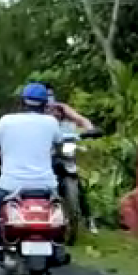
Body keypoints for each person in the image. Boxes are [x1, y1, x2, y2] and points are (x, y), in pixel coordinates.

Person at [0, 82, 63, 275]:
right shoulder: (51, 123)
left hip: (10, 184)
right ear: (45, 104)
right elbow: (58, 148)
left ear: (21, 102)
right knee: (60, 213)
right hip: (45, 185)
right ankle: (58, 248)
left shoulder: (6, 121)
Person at [42, 82, 99, 234]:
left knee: (76, 179)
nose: (49, 99)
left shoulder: (61, 108)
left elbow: (80, 119)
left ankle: (88, 217)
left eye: (51, 94)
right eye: (46, 95)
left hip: (63, 151)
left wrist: (90, 129)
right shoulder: (35, 112)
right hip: (43, 153)